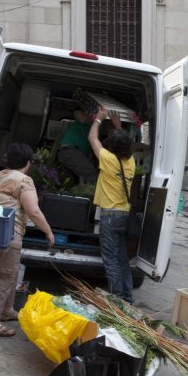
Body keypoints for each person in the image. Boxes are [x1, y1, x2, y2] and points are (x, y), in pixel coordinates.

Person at [0, 143, 54, 337]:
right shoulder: (24, 180)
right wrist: (48, 232)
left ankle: (6, 311)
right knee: (2, 277)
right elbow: (34, 211)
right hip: (9, 233)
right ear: (28, 162)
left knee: (4, 274)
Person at [88, 106, 136, 303]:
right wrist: (118, 125)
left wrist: (99, 119)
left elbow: (92, 138)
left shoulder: (108, 159)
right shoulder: (130, 161)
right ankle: (127, 298)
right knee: (122, 259)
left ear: (111, 146)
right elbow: (121, 143)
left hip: (109, 216)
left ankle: (116, 301)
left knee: (111, 261)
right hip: (124, 214)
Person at [56, 108, 97, 184]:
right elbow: (79, 115)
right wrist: (96, 118)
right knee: (92, 174)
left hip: (75, 153)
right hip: (69, 150)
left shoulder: (99, 128)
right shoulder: (86, 117)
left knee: (72, 182)